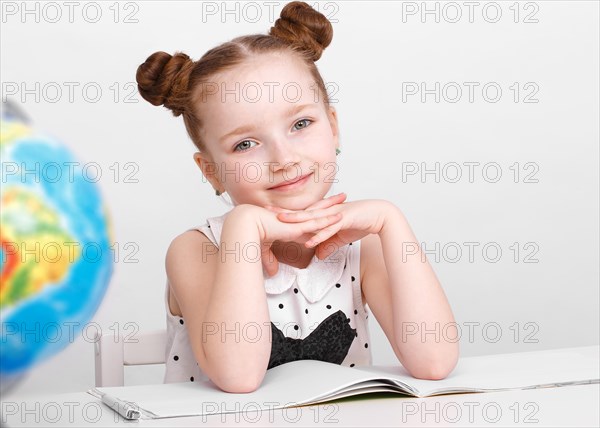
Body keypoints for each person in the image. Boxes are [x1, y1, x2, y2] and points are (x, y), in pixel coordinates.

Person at [136, 1, 458, 393]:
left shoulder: (362, 246)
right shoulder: (196, 251)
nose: (284, 159)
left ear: (333, 127)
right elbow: (237, 378)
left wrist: (392, 222)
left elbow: (435, 361)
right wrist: (243, 227)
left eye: (300, 124)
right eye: (246, 144)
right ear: (211, 171)